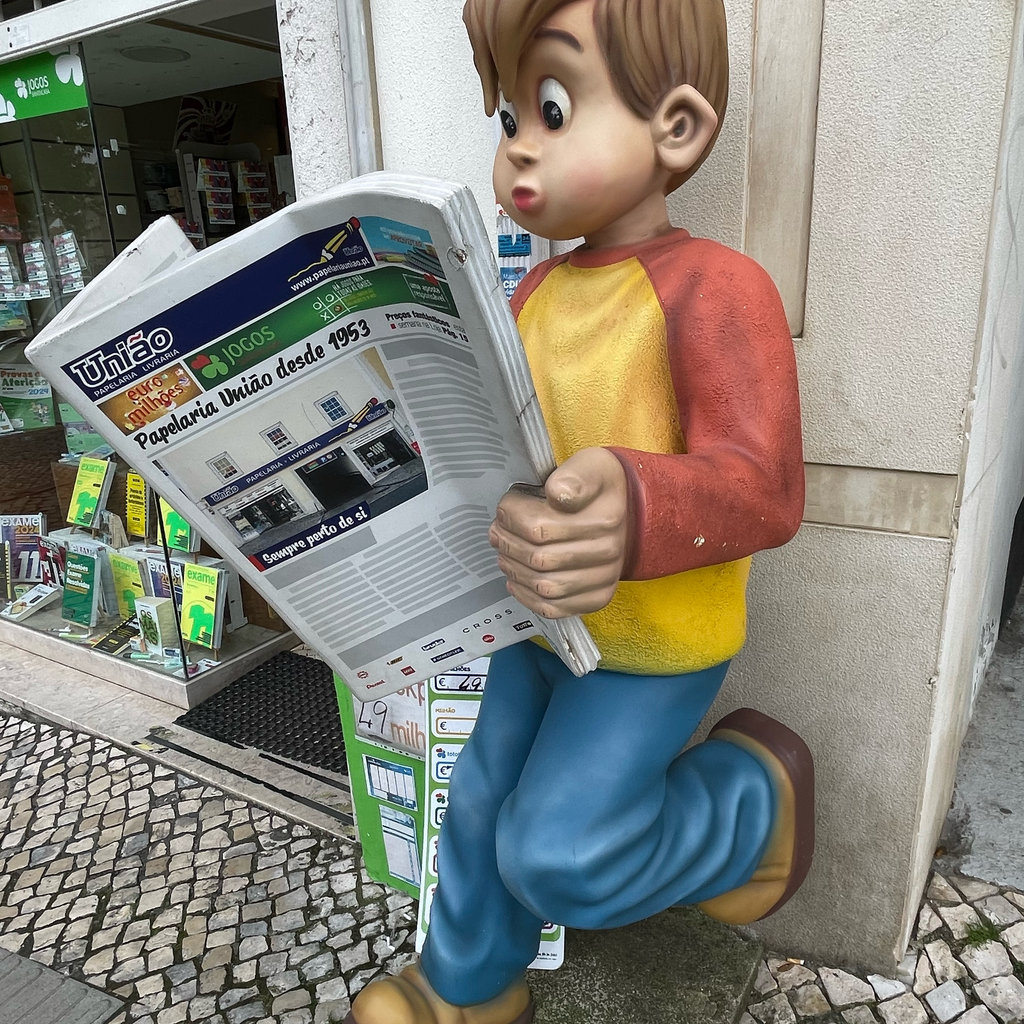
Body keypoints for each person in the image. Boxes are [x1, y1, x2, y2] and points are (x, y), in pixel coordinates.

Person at [345, 2, 811, 1022]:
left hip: (654, 642)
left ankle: (748, 802)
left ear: (676, 127)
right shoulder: (530, 296)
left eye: (552, 107)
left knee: (558, 853)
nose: (520, 144)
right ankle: (465, 987)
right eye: (511, 115)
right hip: (534, 620)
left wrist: (637, 507)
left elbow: (767, 483)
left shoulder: (720, 287)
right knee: (478, 798)